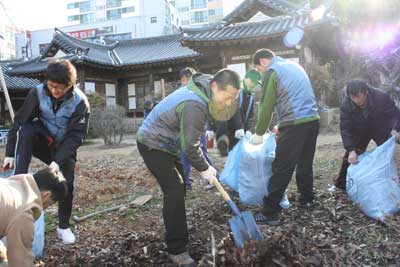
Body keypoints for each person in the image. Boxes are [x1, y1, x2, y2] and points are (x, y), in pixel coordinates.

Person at [136, 69, 240, 266]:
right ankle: (177, 249)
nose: (228, 103)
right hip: (152, 143)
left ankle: (175, 225)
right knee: (174, 189)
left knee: (178, 188)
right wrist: (205, 168)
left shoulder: (205, 88)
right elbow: (190, 147)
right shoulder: (194, 104)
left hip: (168, 143)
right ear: (215, 87)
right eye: (226, 97)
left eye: (232, 98)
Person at [2, 59, 90, 245]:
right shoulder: (38, 92)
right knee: (27, 129)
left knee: (67, 184)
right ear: (47, 82)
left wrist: (57, 162)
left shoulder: (80, 103)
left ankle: (63, 226)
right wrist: (10, 153)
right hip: (42, 139)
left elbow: (76, 136)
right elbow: (19, 122)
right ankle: (19, 180)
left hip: (64, 146)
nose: (55, 91)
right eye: (52, 86)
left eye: (60, 88)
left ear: (70, 85)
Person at [249, 49, 320, 225]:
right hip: (312, 120)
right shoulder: (293, 66)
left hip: (295, 125)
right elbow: (296, 98)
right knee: (305, 163)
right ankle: (307, 199)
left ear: (263, 61)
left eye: (258, 69)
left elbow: (266, 106)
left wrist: (259, 133)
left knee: (281, 166)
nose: (260, 73)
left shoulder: (272, 71)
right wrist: (280, 125)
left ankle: (270, 212)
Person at [334, 80, 400, 190]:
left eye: (359, 97)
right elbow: (345, 129)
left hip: (379, 127)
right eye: (353, 97)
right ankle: (341, 185)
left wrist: (398, 129)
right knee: (351, 156)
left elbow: (394, 114)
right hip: (360, 130)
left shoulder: (381, 97)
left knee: (385, 152)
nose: (356, 100)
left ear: (366, 92)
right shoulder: (346, 105)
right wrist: (351, 150)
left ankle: (388, 180)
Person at [0, 167, 68, 267]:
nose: (45, 208)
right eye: (50, 204)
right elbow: (20, 261)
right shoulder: (24, 211)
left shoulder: (10, 186)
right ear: (46, 195)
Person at [179, 67, 216, 189]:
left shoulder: (200, 91)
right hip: (184, 128)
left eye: (187, 79)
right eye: (183, 80)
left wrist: (209, 127)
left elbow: (209, 110)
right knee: (184, 155)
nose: (185, 82)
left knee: (201, 153)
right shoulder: (181, 92)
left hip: (199, 127)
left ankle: (213, 178)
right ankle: (186, 182)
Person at [215, 69, 261, 155]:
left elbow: (251, 115)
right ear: (246, 79)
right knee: (232, 152)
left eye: (256, 83)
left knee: (238, 154)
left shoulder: (251, 97)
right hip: (231, 128)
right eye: (253, 82)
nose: (254, 85)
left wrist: (248, 131)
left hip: (241, 132)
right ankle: (223, 141)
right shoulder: (237, 91)